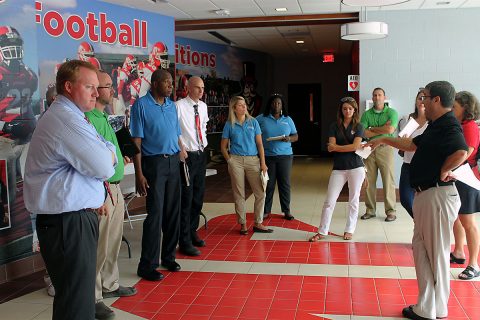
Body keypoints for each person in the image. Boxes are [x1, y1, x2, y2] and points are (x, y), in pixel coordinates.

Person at [23, 59, 117, 320]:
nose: (97, 94)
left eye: (98, 88)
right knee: (76, 305)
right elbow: (103, 165)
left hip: (71, 220)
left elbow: (102, 153)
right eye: (90, 87)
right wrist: (107, 153)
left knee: (77, 300)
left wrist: (106, 152)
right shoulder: (65, 119)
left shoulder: (73, 116)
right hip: (67, 224)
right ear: (68, 86)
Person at [368, 81, 467, 320]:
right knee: (423, 249)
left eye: (425, 97)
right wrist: (383, 140)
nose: (421, 101)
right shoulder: (436, 124)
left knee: (436, 253)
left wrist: (445, 169)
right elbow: (411, 144)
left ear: (436, 100)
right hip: (426, 195)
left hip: (437, 195)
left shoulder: (449, 124)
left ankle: (434, 308)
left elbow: (461, 151)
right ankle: (428, 306)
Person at [85, 70, 137, 319]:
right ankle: (93, 296)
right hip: (101, 189)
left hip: (115, 187)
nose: (111, 90)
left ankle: (110, 284)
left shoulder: (105, 117)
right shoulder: (88, 118)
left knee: (113, 240)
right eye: (107, 86)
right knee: (99, 245)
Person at [131, 69, 186, 281]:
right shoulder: (141, 106)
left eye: (171, 82)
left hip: (174, 161)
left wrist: (181, 150)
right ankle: (147, 265)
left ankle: (168, 257)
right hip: (153, 164)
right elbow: (137, 141)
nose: (171, 85)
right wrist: (139, 173)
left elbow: (176, 132)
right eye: (166, 82)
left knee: (173, 212)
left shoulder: (172, 106)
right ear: (154, 83)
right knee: (155, 215)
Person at [309, 97, 365, 241]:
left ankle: (349, 230)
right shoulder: (334, 125)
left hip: (356, 167)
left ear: (355, 110)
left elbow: (354, 147)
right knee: (329, 200)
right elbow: (330, 148)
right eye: (345, 108)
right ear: (341, 110)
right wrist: (345, 148)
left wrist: (337, 147)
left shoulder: (359, 126)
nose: (347, 111)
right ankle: (322, 231)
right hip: (339, 168)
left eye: (350, 109)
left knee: (353, 199)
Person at [220, 96, 272, 235]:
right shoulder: (229, 124)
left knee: (260, 192)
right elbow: (223, 147)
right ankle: (242, 224)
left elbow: (260, 144)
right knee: (239, 193)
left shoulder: (253, 122)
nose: (244, 107)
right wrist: (229, 160)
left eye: (245, 105)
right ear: (234, 108)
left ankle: (258, 223)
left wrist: (263, 163)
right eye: (241, 105)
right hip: (236, 160)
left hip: (253, 160)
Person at [176, 76, 209, 256]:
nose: (201, 91)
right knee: (187, 198)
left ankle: (193, 231)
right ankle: (184, 239)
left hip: (200, 153)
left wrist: (203, 144)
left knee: (198, 196)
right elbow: (174, 130)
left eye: (203, 88)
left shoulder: (203, 107)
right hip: (187, 155)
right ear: (188, 88)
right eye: (197, 87)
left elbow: (203, 126)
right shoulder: (179, 106)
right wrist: (181, 149)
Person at [450, 91, 480, 280]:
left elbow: (466, 153)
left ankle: (474, 264)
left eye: (455, 106)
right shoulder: (459, 124)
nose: (452, 109)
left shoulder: (469, 126)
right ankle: (459, 252)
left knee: (468, 222)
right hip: (457, 176)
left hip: (467, 177)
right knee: (457, 218)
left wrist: (446, 168)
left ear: (465, 108)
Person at [256, 94, 298, 220]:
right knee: (268, 184)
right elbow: (252, 130)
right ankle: (266, 211)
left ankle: (286, 211)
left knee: (284, 184)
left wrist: (289, 138)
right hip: (268, 156)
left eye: (279, 103)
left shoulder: (287, 119)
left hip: (285, 156)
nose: (276, 105)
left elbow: (296, 136)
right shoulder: (261, 119)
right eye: (274, 103)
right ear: (270, 104)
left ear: (282, 105)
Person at [360, 87, 399, 222]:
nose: (377, 97)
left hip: (385, 148)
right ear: (372, 97)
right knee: (369, 181)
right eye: (375, 95)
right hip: (369, 149)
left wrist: (371, 129)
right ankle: (370, 210)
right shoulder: (366, 114)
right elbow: (364, 133)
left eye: (379, 95)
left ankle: (391, 211)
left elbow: (390, 129)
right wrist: (380, 129)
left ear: (384, 97)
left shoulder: (392, 113)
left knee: (388, 181)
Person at [397, 90, 428, 218]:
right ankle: (419, 220)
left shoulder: (431, 122)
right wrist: (402, 140)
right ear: (415, 101)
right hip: (408, 164)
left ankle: (422, 223)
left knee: (424, 200)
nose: (421, 100)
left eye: (424, 98)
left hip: (423, 166)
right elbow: (401, 142)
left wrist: (409, 142)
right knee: (405, 199)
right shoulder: (409, 119)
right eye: (419, 98)